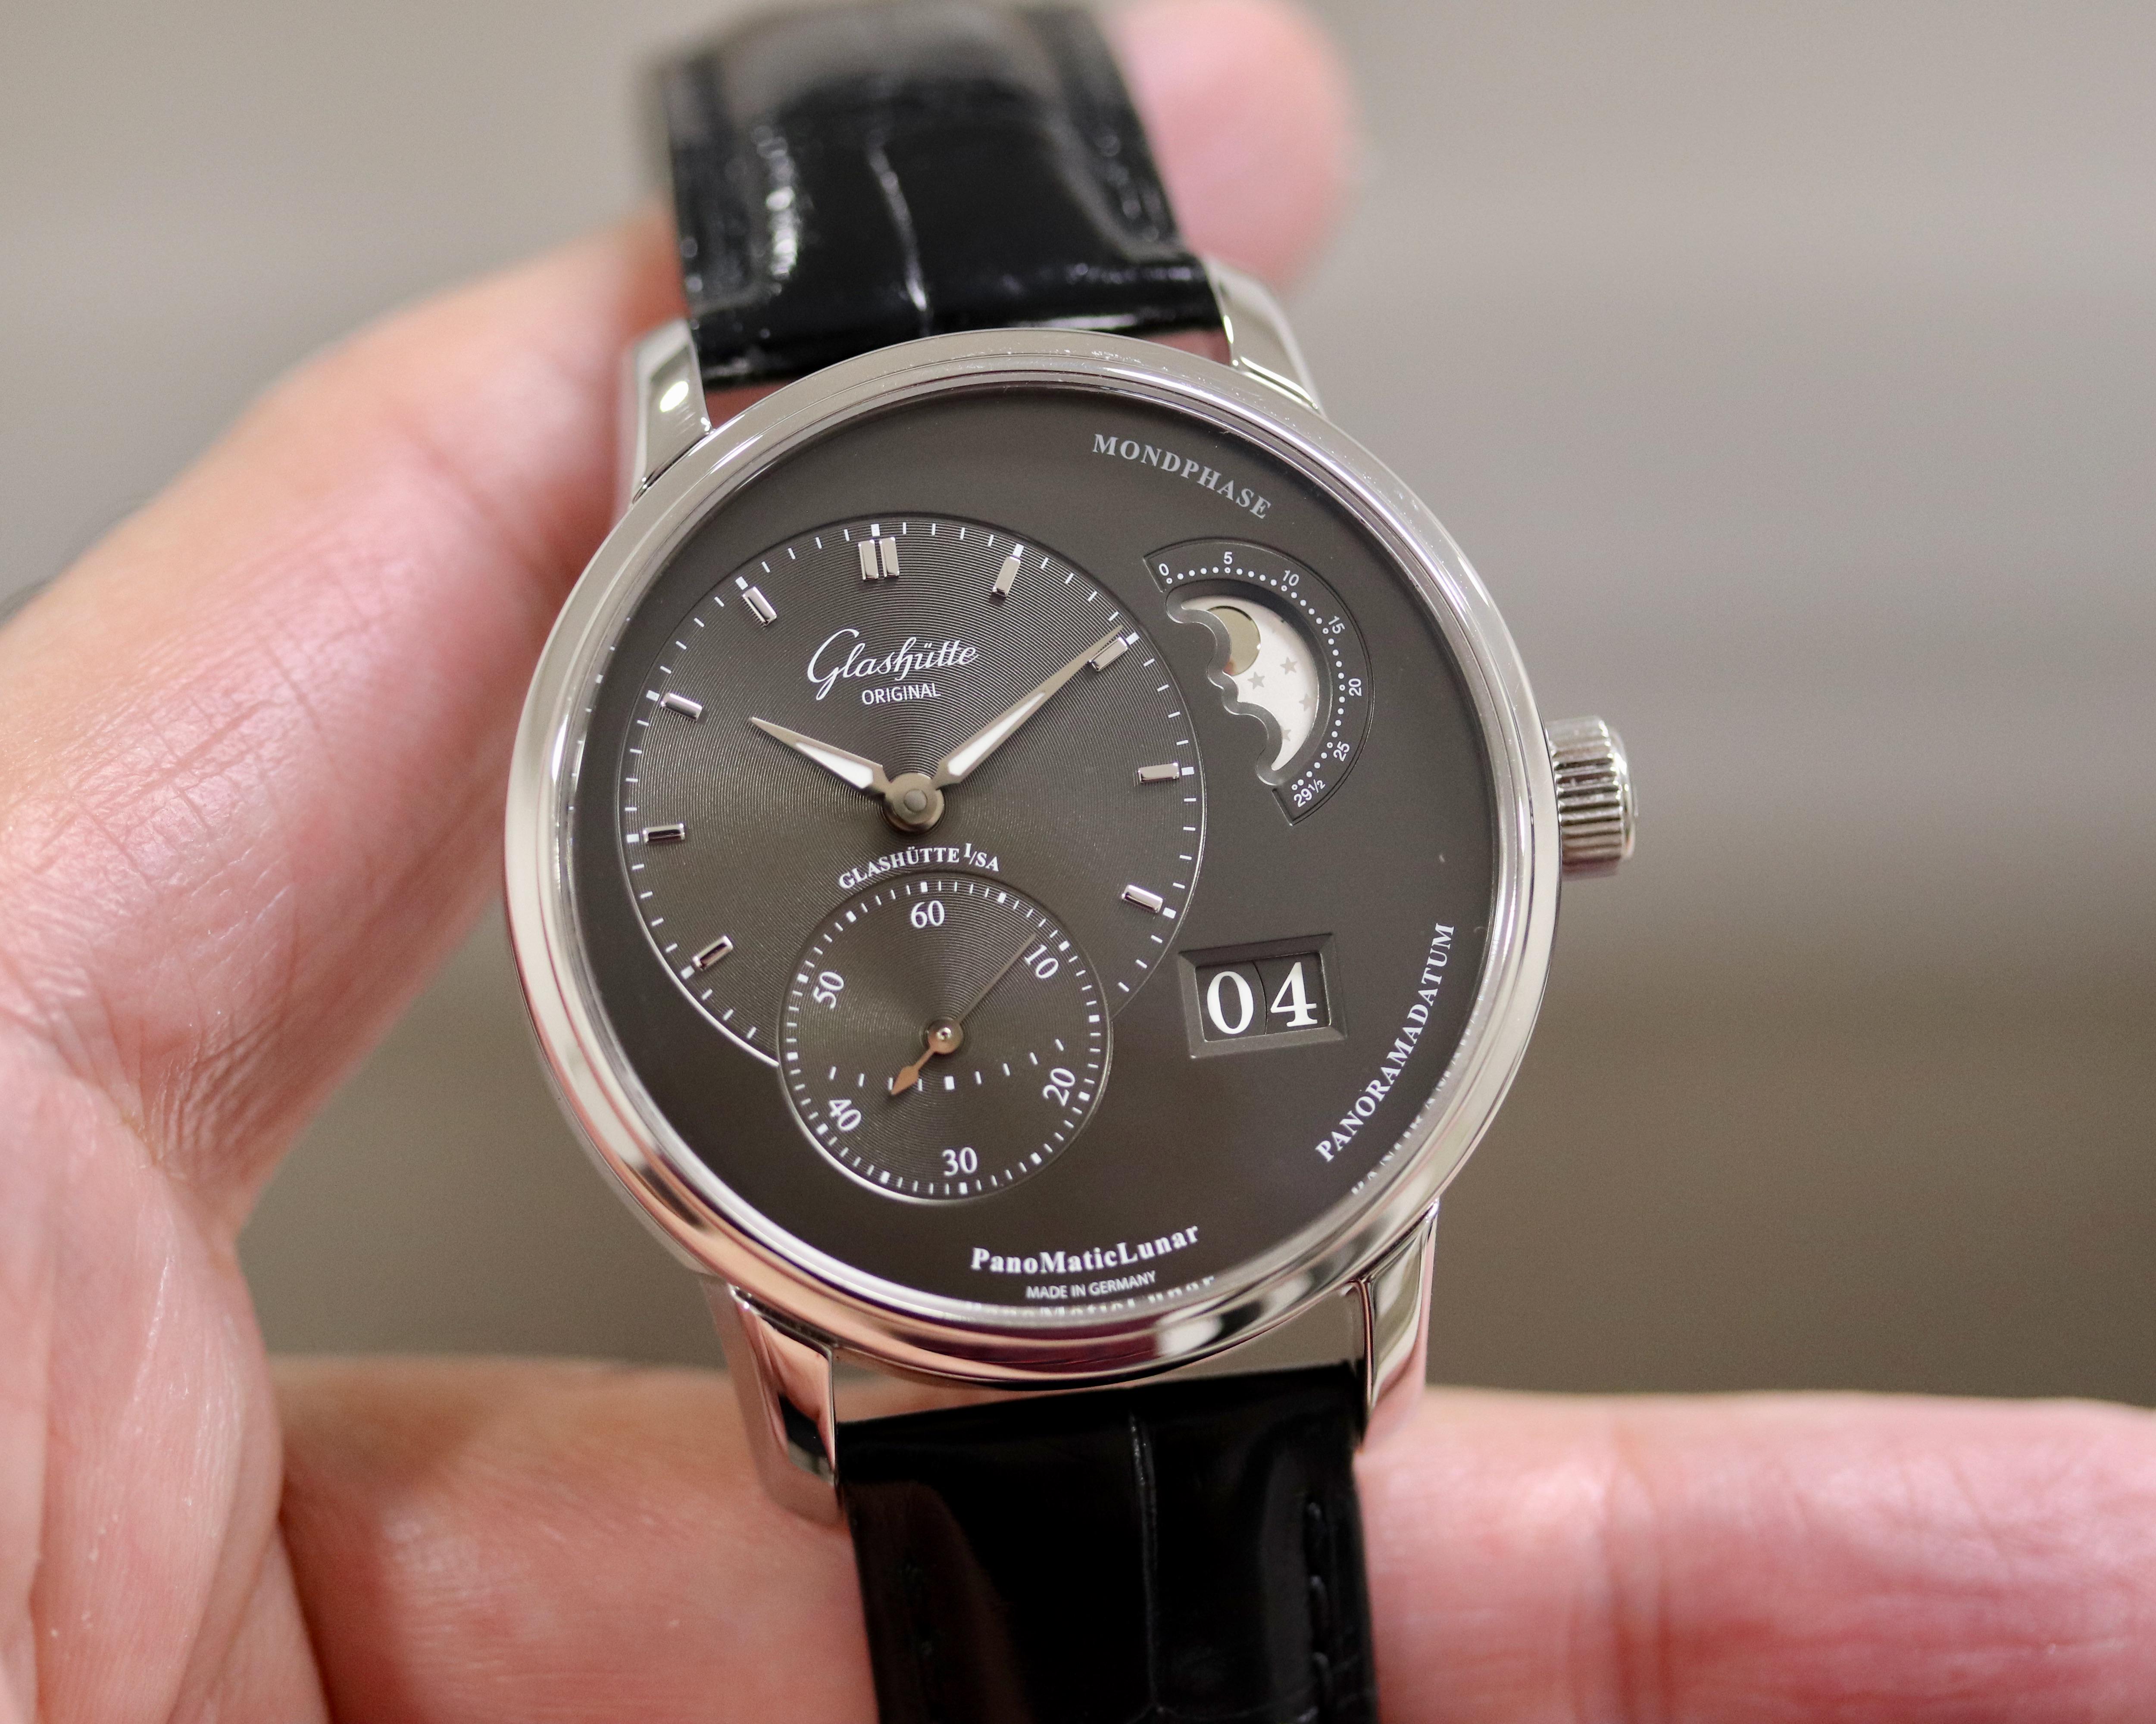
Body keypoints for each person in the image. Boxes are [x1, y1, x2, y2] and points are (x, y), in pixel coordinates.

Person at [0, 2, 2149, 1716]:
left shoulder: (1229, 435)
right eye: (886, 789)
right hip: (908, 1295)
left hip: (1272, 1245)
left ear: (1541, 804)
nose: (923, 802)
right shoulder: (717, 500)